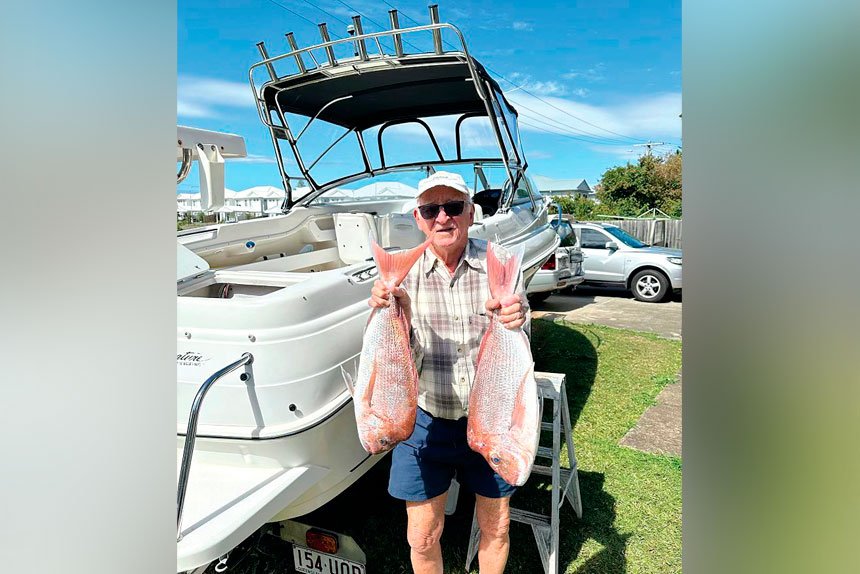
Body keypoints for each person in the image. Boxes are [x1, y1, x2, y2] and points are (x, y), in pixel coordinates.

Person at [368, 171, 529, 574]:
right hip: (424, 419)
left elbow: (519, 342)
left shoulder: (500, 265)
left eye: (453, 207)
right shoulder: (403, 276)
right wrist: (384, 308)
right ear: (418, 219)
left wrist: (520, 315)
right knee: (421, 535)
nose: (443, 217)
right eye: (431, 209)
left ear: (471, 213)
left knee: (497, 528)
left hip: (489, 421)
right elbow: (383, 356)